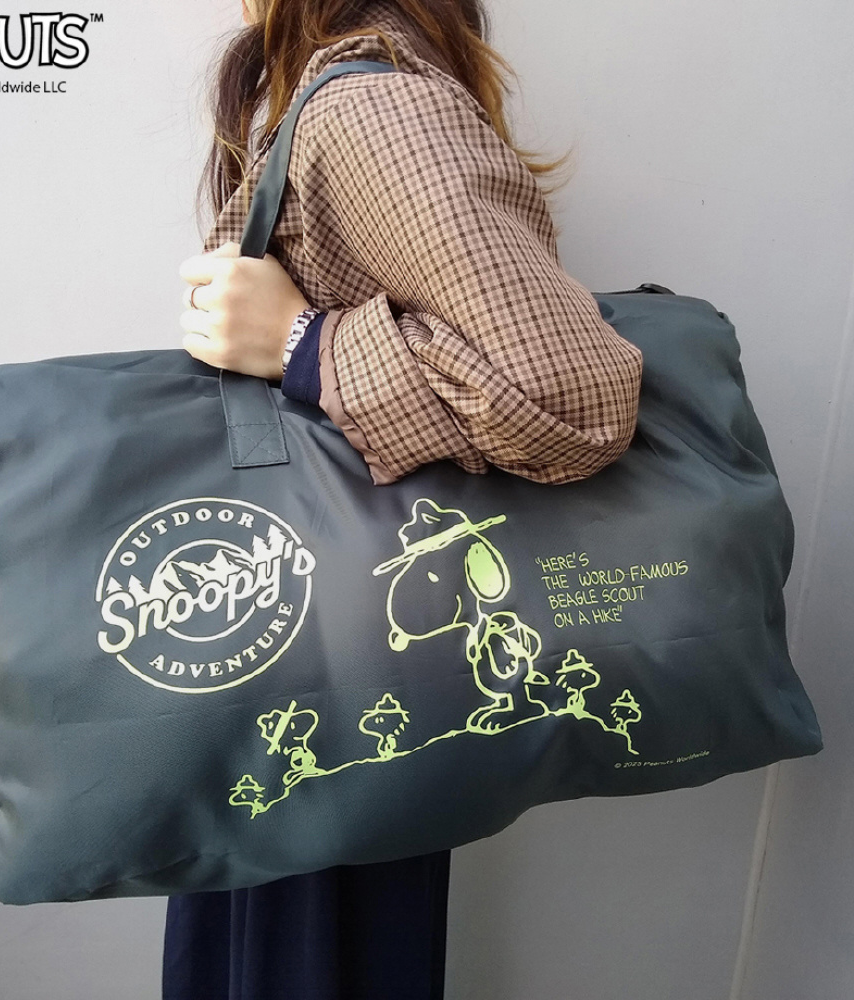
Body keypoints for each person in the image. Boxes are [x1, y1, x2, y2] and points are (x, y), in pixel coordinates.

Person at [166, 1, 643, 997]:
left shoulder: (373, 107)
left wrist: (304, 345)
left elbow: (573, 396)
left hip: (335, 692)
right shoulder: (339, 92)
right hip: (319, 675)